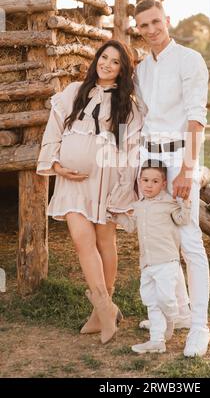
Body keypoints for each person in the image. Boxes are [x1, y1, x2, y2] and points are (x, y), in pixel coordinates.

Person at [36, 40, 142, 344]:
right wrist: (56, 166)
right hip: (72, 181)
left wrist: (122, 189)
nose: (107, 64)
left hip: (104, 181)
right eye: (104, 57)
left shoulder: (126, 105)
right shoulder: (73, 92)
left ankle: (100, 315)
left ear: (123, 70)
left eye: (115, 62)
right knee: (82, 241)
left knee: (104, 240)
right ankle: (106, 308)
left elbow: (128, 149)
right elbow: (53, 130)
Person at [133, 0, 210, 357]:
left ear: (167, 20)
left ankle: (199, 325)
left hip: (181, 155)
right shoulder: (142, 68)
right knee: (161, 239)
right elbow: (146, 117)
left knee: (189, 239)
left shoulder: (189, 60)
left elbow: (196, 117)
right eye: (143, 25)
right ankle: (176, 313)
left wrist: (188, 168)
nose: (150, 30)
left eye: (155, 22)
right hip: (151, 157)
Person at [110, 160, 191, 354]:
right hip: (146, 264)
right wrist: (115, 215)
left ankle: (172, 318)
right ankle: (156, 341)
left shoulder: (168, 202)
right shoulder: (138, 206)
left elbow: (183, 219)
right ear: (139, 181)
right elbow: (130, 227)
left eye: (155, 181)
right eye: (145, 180)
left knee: (165, 299)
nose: (149, 185)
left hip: (167, 262)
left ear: (163, 184)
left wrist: (186, 203)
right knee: (151, 301)